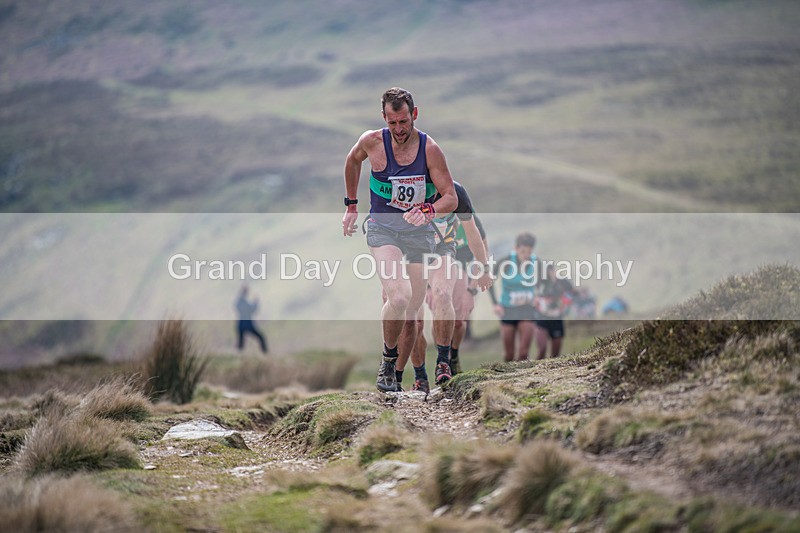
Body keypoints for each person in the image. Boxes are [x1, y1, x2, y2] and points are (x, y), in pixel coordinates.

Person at [343, 87, 457, 392]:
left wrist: (429, 210)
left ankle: (406, 372)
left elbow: (451, 197)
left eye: (404, 121)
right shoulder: (371, 141)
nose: (399, 129)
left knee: (413, 317)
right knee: (399, 296)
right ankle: (387, 363)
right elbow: (352, 161)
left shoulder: (430, 149)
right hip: (383, 230)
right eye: (392, 122)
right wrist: (351, 205)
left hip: (419, 234)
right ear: (384, 117)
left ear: (414, 114)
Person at [398, 181, 492, 393]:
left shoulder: (457, 194)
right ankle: (420, 376)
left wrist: (478, 277)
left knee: (449, 305)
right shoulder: (408, 188)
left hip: (449, 254)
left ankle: (447, 360)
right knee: (415, 322)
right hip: (412, 255)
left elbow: (477, 239)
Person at [489, 233, 538, 362]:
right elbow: (489, 281)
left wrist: (539, 297)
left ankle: (524, 375)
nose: (526, 255)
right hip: (508, 309)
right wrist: (495, 304)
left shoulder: (536, 262)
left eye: (529, 252)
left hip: (527, 309)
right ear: (516, 248)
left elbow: (547, 281)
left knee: (523, 353)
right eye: (523, 251)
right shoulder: (505, 262)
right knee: (509, 355)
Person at [533, 262, 574, 358]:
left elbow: (571, 294)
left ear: (554, 271)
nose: (549, 274)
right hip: (541, 319)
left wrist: (563, 305)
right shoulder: (539, 282)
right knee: (542, 349)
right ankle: (538, 366)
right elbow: (533, 297)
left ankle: (551, 367)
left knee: (555, 354)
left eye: (550, 271)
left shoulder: (564, 283)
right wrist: (538, 304)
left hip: (557, 319)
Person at [235, 286, 268, 354]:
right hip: (247, 323)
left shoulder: (239, 301)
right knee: (261, 337)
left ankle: (238, 355)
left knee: (241, 343)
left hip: (241, 323)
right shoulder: (242, 301)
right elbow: (250, 309)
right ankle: (265, 353)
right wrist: (255, 303)